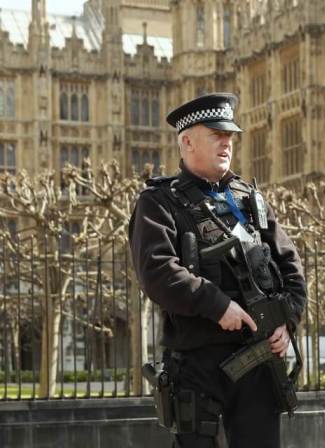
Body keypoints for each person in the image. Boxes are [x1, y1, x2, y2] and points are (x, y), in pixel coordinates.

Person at [129, 93, 307, 448]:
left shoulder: (249, 198)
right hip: (198, 365)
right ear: (187, 141)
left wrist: (288, 321)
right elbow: (157, 271)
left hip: (258, 359)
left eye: (229, 135)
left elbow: (291, 266)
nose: (227, 141)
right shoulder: (159, 203)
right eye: (216, 134)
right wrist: (217, 305)